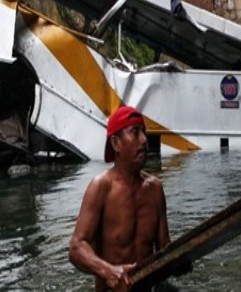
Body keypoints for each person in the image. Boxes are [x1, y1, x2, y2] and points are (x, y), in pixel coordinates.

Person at [69, 105, 171, 291]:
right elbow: (76, 248)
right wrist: (108, 271)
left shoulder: (155, 188)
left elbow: (164, 249)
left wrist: (180, 261)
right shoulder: (101, 187)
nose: (144, 140)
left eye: (144, 133)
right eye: (135, 132)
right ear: (116, 144)